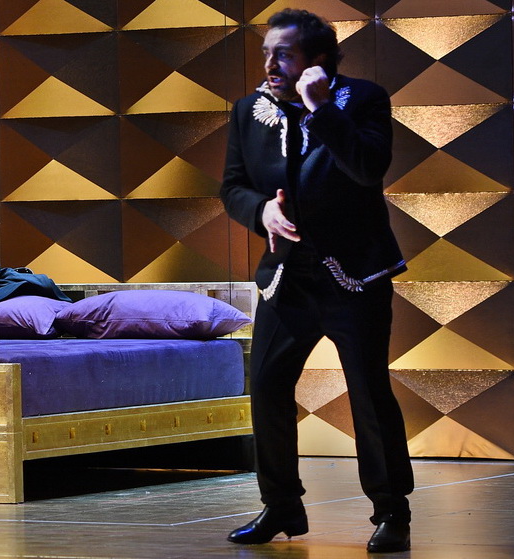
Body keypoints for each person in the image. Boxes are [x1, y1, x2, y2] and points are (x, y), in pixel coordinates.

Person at [219, 9, 414, 553]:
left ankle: (392, 511)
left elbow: (367, 167)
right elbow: (233, 187)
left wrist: (322, 108)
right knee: (267, 387)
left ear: (317, 60)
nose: (269, 64)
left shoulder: (363, 100)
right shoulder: (248, 111)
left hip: (354, 275)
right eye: (266, 53)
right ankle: (281, 505)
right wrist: (261, 211)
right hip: (287, 277)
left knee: (368, 392)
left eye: (282, 54)